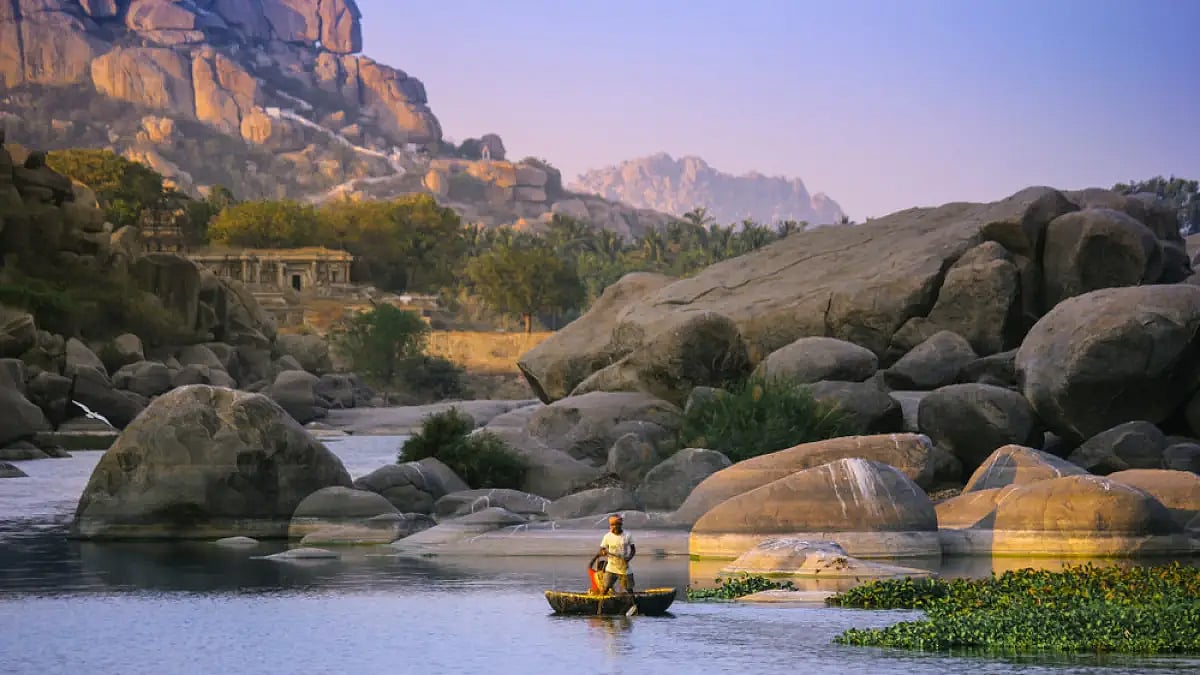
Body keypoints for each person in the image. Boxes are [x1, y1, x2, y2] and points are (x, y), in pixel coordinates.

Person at [589, 514, 636, 594]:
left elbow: (633, 550)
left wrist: (628, 558)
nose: (614, 527)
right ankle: (600, 605)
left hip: (624, 568)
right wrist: (603, 552)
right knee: (605, 588)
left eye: (616, 525)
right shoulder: (607, 536)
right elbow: (602, 549)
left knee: (629, 589)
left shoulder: (627, 535)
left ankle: (634, 604)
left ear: (620, 525)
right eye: (612, 525)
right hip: (611, 568)